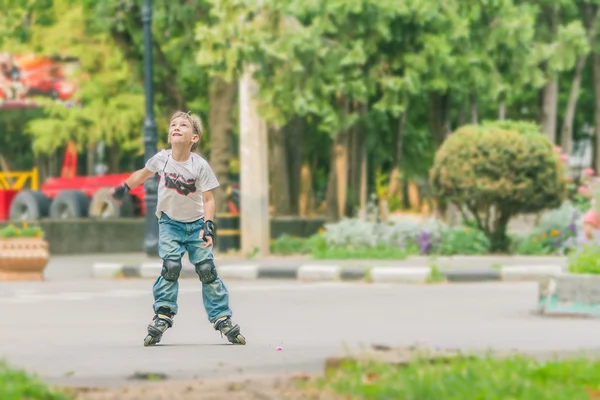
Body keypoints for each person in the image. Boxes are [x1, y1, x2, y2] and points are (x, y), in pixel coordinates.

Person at [111, 111, 246, 347]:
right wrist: (124, 187)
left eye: (183, 125)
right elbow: (142, 175)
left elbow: (209, 200)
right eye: (173, 124)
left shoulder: (199, 165)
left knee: (206, 270)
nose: (176, 127)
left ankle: (221, 316)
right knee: (171, 266)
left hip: (196, 226)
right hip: (169, 223)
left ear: (194, 138)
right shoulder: (162, 159)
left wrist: (208, 226)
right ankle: (163, 312)